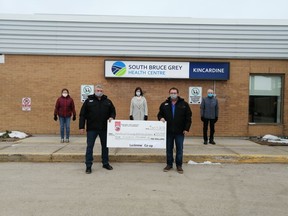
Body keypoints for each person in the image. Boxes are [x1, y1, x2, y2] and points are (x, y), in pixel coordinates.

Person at [79, 84, 116, 174]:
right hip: (92, 129)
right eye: (97, 90)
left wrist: (112, 117)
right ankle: (88, 165)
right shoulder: (88, 101)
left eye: (100, 91)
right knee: (90, 147)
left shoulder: (108, 101)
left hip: (104, 128)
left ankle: (105, 163)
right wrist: (81, 127)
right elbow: (82, 115)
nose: (99, 92)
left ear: (103, 91)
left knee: (105, 147)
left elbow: (113, 111)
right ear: (94, 91)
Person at [157, 87, 192, 174]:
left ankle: (179, 165)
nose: (173, 94)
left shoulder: (184, 104)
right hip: (168, 131)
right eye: (171, 93)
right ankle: (169, 164)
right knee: (169, 149)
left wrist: (186, 129)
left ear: (178, 93)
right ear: (169, 94)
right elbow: (159, 114)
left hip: (180, 132)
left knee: (179, 149)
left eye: (175, 93)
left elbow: (188, 118)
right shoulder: (164, 104)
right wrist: (161, 118)